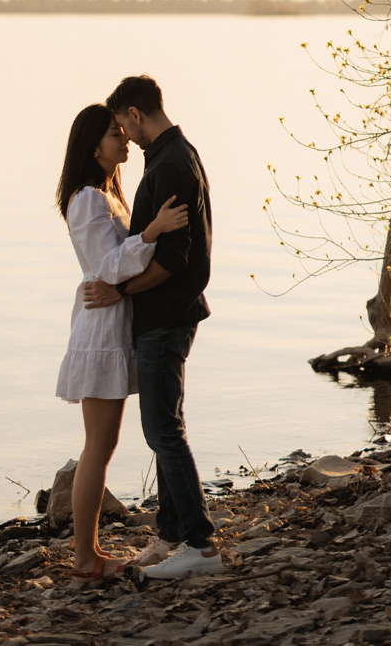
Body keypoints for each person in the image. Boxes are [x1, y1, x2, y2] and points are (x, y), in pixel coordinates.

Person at [83, 74, 220, 580]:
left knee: (164, 432)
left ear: (134, 114)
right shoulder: (174, 155)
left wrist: (120, 292)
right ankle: (169, 533)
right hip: (166, 316)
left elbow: (171, 260)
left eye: (122, 125)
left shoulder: (169, 165)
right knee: (166, 426)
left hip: (166, 317)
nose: (124, 136)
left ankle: (201, 547)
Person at [55, 102, 188, 581]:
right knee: (98, 447)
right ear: (94, 147)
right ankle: (86, 558)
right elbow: (108, 267)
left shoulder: (107, 195)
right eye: (115, 134)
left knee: (103, 444)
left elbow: (114, 265)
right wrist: (153, 230)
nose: (125, 139)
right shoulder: (88, 198)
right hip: (100, 332)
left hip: (114, 326)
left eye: (123, 131)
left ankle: (87, 552)